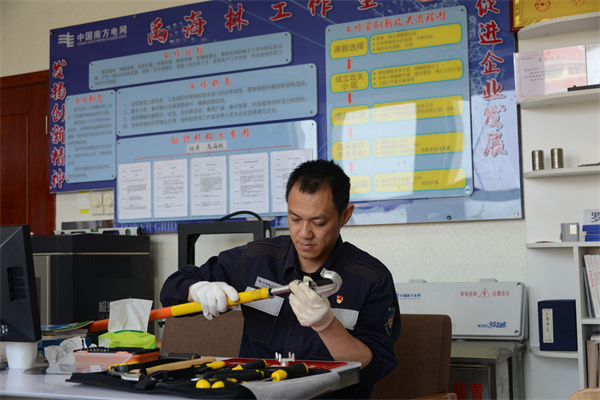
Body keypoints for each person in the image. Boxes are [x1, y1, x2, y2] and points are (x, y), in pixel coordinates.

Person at [160, 159, 400, 398]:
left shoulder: (371, 279)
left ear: (345, 216)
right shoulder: (255, 259)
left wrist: (328, 327)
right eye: (295, 219)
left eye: (318, 222)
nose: (304, 233)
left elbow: (375, 368)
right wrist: (198, 289)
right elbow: (172, 289)